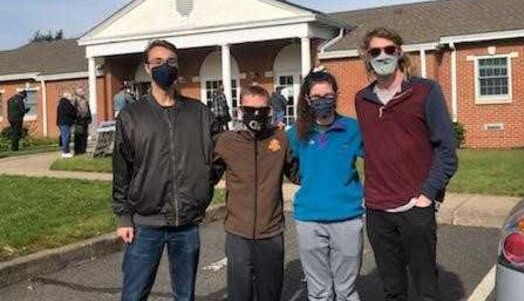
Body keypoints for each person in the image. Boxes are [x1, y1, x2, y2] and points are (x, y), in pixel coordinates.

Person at [355, 27, 458, 301]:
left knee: (426, 290)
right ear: (367, 57)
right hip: (377, 211)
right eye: (375, 51)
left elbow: (447, 150)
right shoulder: (362, 100)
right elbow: (372, 147)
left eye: (389, 49)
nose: (383, 55)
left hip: (415, 208)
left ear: (399, 52)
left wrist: (427, 195)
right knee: (392, 289)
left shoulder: (425, 91)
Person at [112, 40, 217, 301]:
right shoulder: (131, 116)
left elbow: (219, 156)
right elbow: (121, 169)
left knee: (185, 294)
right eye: (157, 62)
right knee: (134, 294)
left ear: (178, 67)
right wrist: (124, 216)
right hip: (146, 222)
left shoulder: (200, 114)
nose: (164, 66)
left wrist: (202, 184)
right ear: (147, 68)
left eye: (170, 61)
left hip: (187, 223)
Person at [212, 85, 299, 301]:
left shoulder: (281, 140)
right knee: (240, 295)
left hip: (271, 232)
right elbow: (204, 177)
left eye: (262, 109)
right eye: (250, 109)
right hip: (238, 233)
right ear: (241, 111)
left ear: (270, 110)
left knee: (270, 294)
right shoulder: (226, 142)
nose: (256, 115)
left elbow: (299, 174)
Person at [287, 70, 364, 301]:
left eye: (328, 95)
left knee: (346, 290)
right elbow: (288, 167)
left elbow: (379, 162)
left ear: (336, 96)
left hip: (347, 218)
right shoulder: (296, 134)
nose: (323, 101)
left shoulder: (353, 129)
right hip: (309, 219)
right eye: (317, 96)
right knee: (318, 291)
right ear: (307, 99)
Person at [57, 92, 77, 158]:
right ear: (67, 96)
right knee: (66, 137)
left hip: (61, 123)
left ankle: (67, 151)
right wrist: (75, 112)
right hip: (65, 123)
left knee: (65, 137)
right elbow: (70, 112)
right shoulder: (67, 103)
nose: (72, 97)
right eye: (71, 96)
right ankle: (65, 152)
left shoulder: (60, 103)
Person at [73, 87, 91, 155]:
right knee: (78, 136)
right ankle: (77, 151)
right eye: (81, 91)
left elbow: (88, 109)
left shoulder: (85, 100)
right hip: (78, 121)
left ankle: (83, 150)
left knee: (84, 135)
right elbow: (74, 111)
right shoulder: (75, 101)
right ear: (77, 93)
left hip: (85, 120)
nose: (83, 92)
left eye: (83, 91)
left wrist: (89, 118)